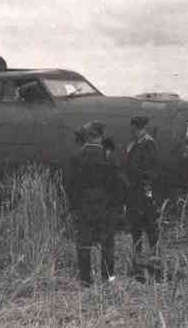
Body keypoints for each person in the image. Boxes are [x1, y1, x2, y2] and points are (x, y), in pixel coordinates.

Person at [66, 121, 117, 287]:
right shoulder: (108, 157)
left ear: (87, 136)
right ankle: (108, 279)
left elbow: (70, 185)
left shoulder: (76, 157)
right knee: (107, 243)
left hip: (83, 206)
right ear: (100, 136)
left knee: (83, 243)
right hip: (105, 205)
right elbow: (116, 184)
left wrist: (74, 206)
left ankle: (85, 280)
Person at [125, 116, 160, 280]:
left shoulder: (147, 143)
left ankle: (154, 262)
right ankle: (138, 263)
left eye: (133, 127)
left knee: (149, 226)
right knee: (136, 227)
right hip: (134, 192)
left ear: (136, 127)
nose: (131, 130)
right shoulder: (135, 144)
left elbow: (150, 169)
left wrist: (146, 187)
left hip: (143, 192)